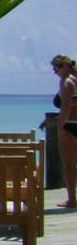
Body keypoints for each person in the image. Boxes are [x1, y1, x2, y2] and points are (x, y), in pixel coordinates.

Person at [52, 54, 77, 207]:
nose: (56, 71)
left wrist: (60, 124)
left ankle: (72, 199)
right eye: (54, 68)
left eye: (58, 66)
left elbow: (66, 105)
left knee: (69, 165)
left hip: (69, 124)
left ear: (67, 66)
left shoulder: (66, 81)